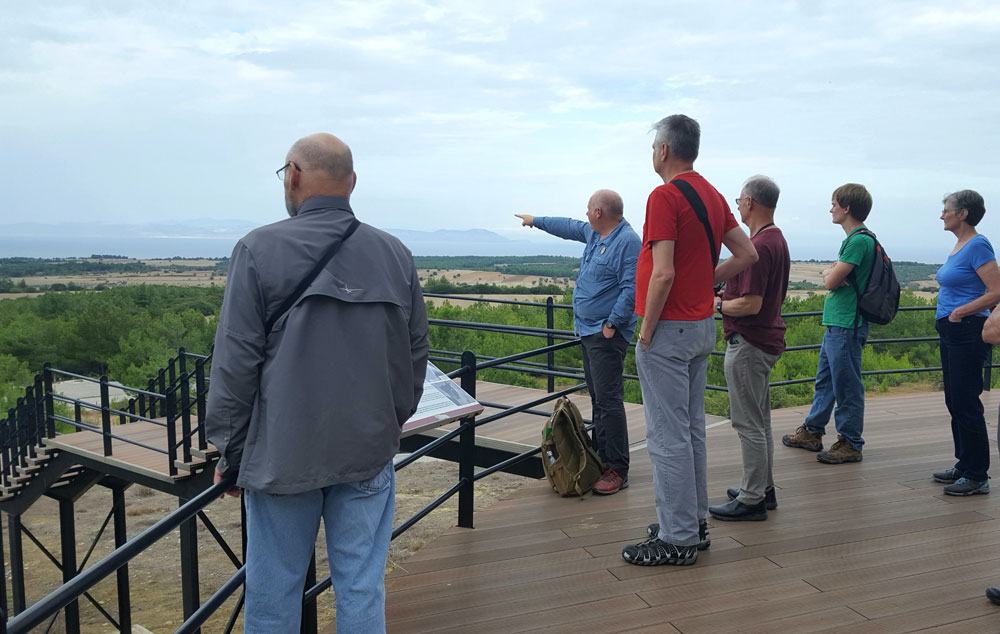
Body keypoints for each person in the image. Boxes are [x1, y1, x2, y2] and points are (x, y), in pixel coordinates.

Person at [205, 133, 429, 633]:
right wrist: (389, 421)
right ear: (351, 183)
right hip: (368, 450)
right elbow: (414, 356)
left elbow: (236, 362)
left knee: (271, 594)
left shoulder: (258, 249)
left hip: (283, 454)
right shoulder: (395, 254)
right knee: (361, 588)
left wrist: (231, 451)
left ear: (294, 175)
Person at [623, 114, 757, 567]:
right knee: (689, 430)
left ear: (663, 150)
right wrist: (704, 286)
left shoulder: (664, 196)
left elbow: (662, 272)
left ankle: (677, 537)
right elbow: (747, 253)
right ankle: (691, 523)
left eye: (652, 147)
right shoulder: (711, 193)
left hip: (669, 330)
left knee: (666, 436)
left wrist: (645, 332)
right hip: (701, 326)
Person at [515, 190, 641, 494]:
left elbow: (632, 288)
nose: (585, 214)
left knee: (609, 402)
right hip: (587, 331)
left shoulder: (627, 242)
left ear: (599, 212)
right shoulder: (595, 234)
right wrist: (536, 221)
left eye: (588, 209)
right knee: (599, 399)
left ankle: (617, 469)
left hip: (605, 335)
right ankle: (601, 458)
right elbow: (568, 226)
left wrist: (611, 325)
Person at [708, 175, 790, 522]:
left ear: (751, 203)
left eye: (739, 199)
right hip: (765, 342)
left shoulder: (760, 247)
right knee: (760, 420)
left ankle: (752, 498)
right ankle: (762, 488)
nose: (737, 204)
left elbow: (751, 304)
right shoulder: (776, 239)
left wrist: (716, 306)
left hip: (749, 343)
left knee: (748, 424)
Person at [782, 184, 875, 464]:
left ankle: (850, 443)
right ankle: (812, 432)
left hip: (848, 324)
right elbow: (833, 274)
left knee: (846, 385)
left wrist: (830, 272)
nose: (830, 208)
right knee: (827, 382)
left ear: (847, 208)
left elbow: (830, 281)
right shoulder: (855, 239)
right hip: (838, 323)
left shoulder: (858, 241)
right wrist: (832, 270)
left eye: (834, 203)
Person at [930, 190, 1000, 496]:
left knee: (966, 402)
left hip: (968, 330)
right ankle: (964, 463)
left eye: (946, 210)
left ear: (963, 214)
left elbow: (996, 291)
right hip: (952, 331)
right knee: (954, 400)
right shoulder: (959, 246)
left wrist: (961, 311)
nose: (942, 214)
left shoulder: (978, 244)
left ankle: (977, 475)